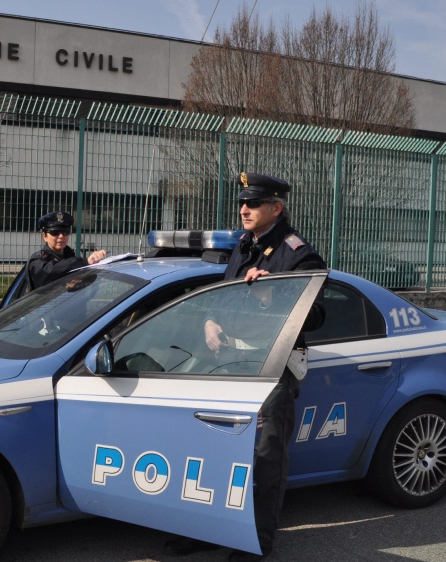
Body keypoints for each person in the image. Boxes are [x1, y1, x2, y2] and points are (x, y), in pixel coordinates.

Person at [165, 172, 326, 561]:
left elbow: (319, 315)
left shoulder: (298, 253)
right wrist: (209, 321)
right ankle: (210, 529)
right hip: (230, 363)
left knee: (265, 457)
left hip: (271, 366)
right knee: (213, 448)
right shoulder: (244, 244)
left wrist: (274, 297)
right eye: (242, 203)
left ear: (276, 207)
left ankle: (256, 542)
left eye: (253, 204)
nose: (244, 209)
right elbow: (226, 293)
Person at [26, 211, 107, 289]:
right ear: (44, 236)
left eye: (65, 232)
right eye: (55, 232)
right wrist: (85, 262)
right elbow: (49, 272)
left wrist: (93, 278)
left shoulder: (70, 257)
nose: (61, 236)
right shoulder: (37, 260)